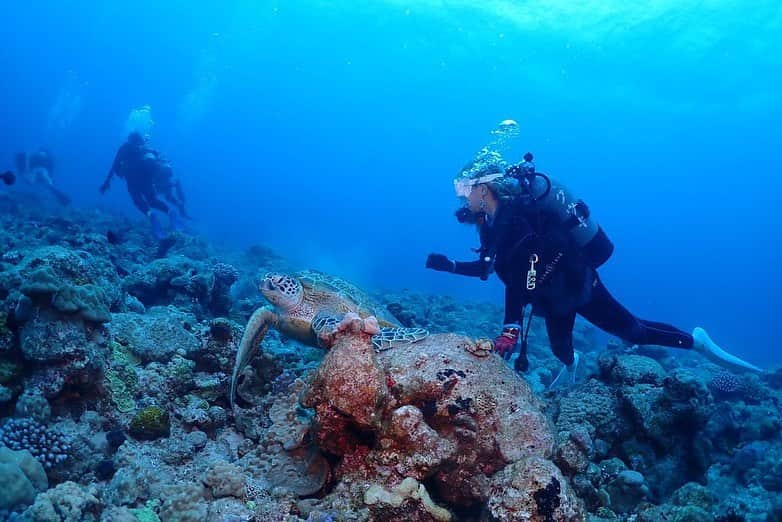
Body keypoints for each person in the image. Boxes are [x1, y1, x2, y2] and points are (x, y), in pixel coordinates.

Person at [426, 157, 761, 387]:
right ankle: (573, 364)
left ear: (483, 189)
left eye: (463, 188)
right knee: (561, 352)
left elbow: (515, 277)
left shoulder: (515, 219)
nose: (460, 196)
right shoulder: (490, 225)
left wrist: (510, 329)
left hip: (576, 283)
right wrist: (451, 266)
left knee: (633, 332)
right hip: (550, 298)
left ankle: (697, 343)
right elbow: (489, 268)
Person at [99, 132, 185, 238]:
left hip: (131, 179)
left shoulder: (124, 148)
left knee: (138, 201)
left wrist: (106, 182)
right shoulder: (144, 147)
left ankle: (150, 214)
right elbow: (156, 159)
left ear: (129, 139)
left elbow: (114, 166)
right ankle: (170, 212)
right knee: (153, 201)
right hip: (146, 178)